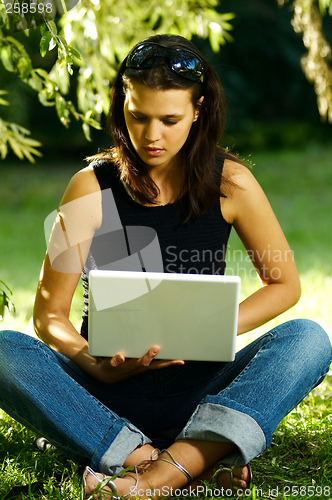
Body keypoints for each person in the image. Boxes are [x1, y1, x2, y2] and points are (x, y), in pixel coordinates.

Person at [0, 34, 331, 500]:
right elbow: (48, 316)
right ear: (122, 106)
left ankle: (159, 473)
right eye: (139, 117)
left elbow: (285, 284)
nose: (152, 136)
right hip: (104, 391)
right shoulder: (88, 188)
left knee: (309, 340)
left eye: (170, 120)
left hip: (202, 388)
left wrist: (211, 326)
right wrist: (94, 365)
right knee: (3, 350)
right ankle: (179, 459)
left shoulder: (231, 182)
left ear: (198, 110)